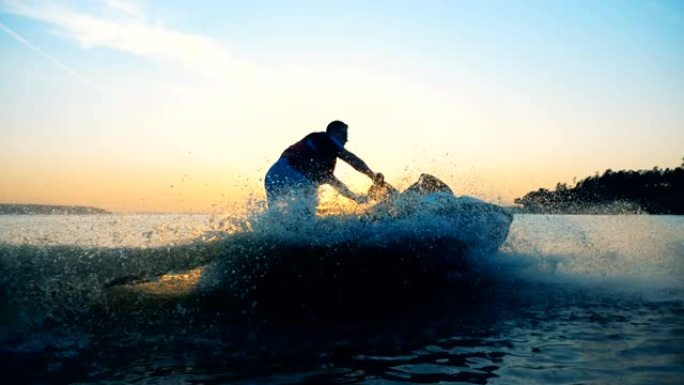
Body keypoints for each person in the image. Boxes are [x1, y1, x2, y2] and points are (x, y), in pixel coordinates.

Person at [265, 120, 380, 215]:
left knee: (276, 217)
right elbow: (352, 159)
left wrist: (357, 199)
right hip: (293, 172)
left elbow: (334, 182)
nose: (346, 139)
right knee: (307, 217)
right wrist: (372, 175)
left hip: (272, 175)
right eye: (344, 135)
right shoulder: (326, 139)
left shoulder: (321, 152)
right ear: (333, 133)